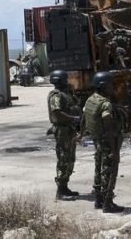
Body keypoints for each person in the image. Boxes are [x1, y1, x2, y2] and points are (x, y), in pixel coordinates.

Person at [81, 70, 125, 213]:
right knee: (109, 170)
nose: (112, 87)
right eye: (110, 84)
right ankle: (108, 203)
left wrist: (80, 134)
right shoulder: (105, 104)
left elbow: (83, 118)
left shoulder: (90, 99)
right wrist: (114, 151)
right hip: (106, 142)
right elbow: (109, 130)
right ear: (103, 85)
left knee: (98, 169)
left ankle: (98, 201)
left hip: (97, 141)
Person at [47, 69, 81, 200]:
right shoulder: (56, 95)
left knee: (70, 158)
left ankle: (65, 187)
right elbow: (57, 113)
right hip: (62, 130)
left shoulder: (65, 94)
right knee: (63, 159)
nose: (67, 82)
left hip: (69, 130)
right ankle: (60, 190)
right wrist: (73, 118)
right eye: (65, 80)